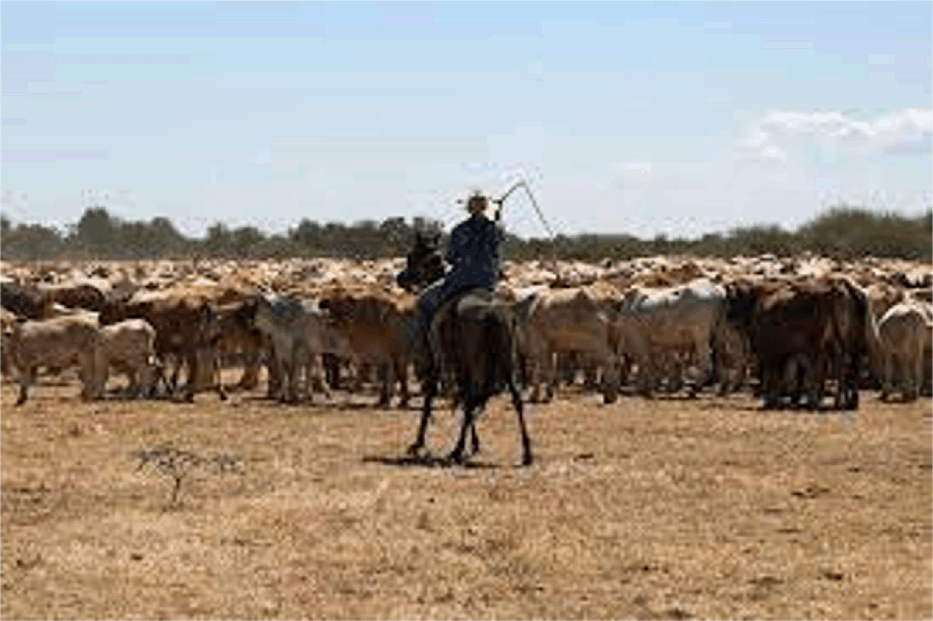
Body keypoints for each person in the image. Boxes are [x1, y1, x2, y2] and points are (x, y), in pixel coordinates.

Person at [414, 191, 506, 370]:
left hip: (461, 281)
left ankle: (425, 351)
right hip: (488, 282)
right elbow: (498, 246)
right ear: (486, 208)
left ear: (468, 209)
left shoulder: (459, 230)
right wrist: (498, 217)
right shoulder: (496, 229)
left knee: (423, 301)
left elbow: (451, 257)